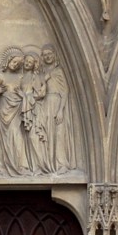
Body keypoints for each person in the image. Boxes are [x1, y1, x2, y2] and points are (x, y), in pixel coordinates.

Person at [0, 47, 29, 174]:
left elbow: (28, 92)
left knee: (16, 135)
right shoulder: (1, 75)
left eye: (18, 64)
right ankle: (1, 165)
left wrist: (23, 95)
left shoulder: (20, 77)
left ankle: (19, 165)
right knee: (2, 138)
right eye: (14, 62)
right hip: (3, 110)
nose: (15, 65)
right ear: (8, 60)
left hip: (16, 109)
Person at [39, 45, 74, 173]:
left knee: (59, 134)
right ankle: (49, 164)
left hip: (57, 103)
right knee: (48, 134)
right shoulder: (42, 73)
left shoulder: (58, 71)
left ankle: (61, 164)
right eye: (45, 54)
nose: (48, 56)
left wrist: (60, 110)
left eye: (50, 53)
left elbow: (65, 91)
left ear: (54, 55)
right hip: (45, 104)